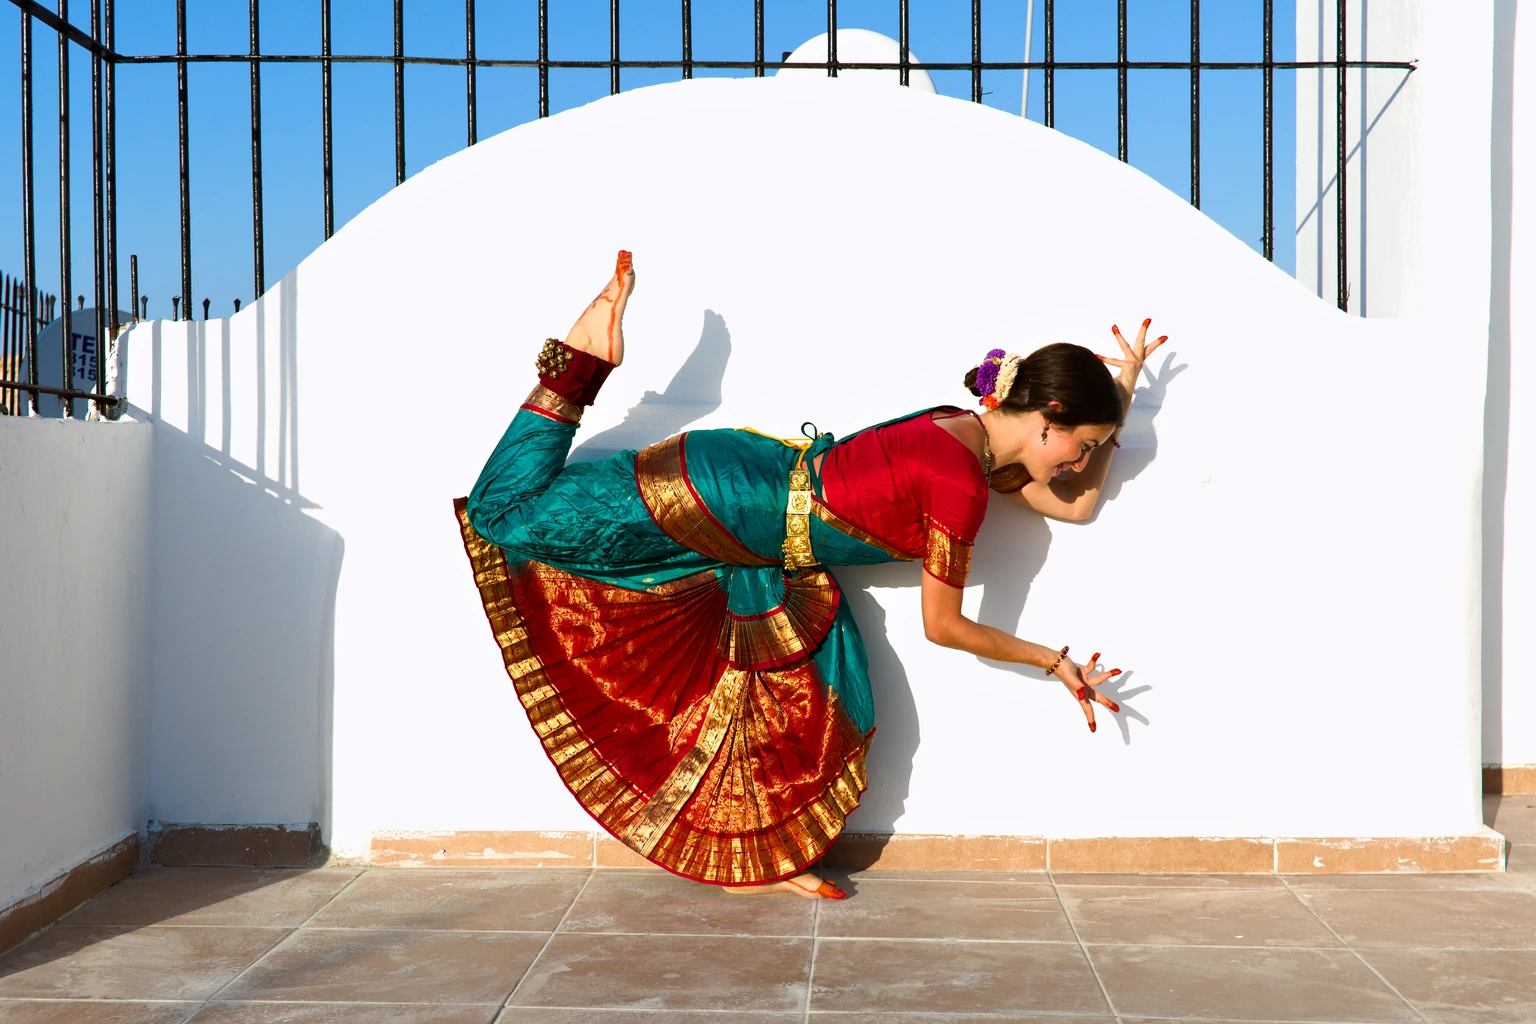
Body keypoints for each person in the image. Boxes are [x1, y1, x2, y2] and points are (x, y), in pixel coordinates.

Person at [459, 251, 1166, 899]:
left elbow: (1073, 506)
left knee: (804, 695)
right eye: (1084, 444)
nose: (1080, 464)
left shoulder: (965, 434)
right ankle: (582, 361)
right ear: (1050, 414)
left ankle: (764, 855)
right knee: (502, 513)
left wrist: (1120, 391)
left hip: (760, 530)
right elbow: (943, 626)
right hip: (717, 496)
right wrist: (1053, 661)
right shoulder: (962, 482)